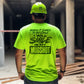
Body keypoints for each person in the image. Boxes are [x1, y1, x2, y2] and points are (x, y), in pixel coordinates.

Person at [14, 2, 66, 84]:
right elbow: (62, 53)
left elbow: (18, 54)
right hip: (51, 78)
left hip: (31, 77)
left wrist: (19, 72)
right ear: (45, 16)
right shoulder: (55, 31)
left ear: (33, 16)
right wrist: (62, 71)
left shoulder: (24, 31)